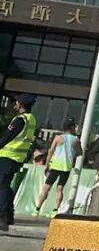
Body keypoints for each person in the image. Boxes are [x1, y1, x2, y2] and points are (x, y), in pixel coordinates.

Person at [0, 95, 37, 232]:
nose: (15, 104)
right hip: (18, 158)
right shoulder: (31, 119)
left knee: (2, 186)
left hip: (8, 157)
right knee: (6, 186)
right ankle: (9, 216)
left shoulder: (20, 119)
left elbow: (7, 137)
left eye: (17, 102)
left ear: (20, 104)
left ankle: (3, 218)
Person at [35, 119, 81, 215]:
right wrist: (72, 154)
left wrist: (47, 165)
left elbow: (51, 151)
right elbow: (80, 152)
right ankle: (55, 210)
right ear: (72, 128)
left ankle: (37, 209)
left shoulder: (58, 138)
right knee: (60, 189)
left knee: (46, 187)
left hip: (56, 165)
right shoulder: (76, 140)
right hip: (66, 166)